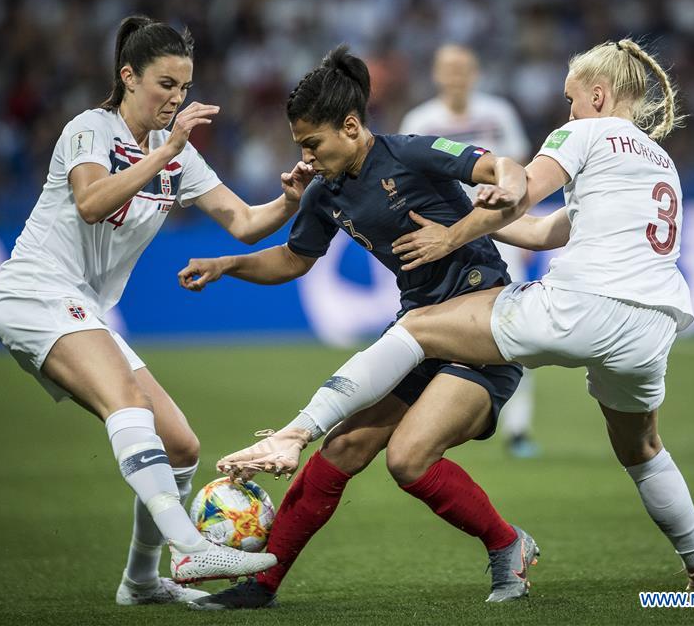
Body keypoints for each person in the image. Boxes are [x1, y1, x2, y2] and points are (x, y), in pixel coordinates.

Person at [219, 39, 694, 593]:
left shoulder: (581, 133)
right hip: (653, 325)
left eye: (571, 99)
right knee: (642, 450)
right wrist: (469, 215)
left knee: (415, 328)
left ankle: (293, 433)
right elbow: (543, 229)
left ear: (599, 95)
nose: (568, 112)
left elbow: (518, 194)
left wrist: (453, 234)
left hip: (573, 307)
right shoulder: (660, 162)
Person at [179, 45, 538, 610]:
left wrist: (505, 192)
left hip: (482, 328)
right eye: (300, 145)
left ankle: (506, 543)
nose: (305, 157)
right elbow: (293, 260)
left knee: (408, 459)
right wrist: (228, 265)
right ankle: (262, 584)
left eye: (312, 143)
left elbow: (501, 167)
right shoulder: (324, 192)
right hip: (419, 332)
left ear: (350, 127)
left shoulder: (411, 152)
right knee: (343, 446)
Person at [0, 15, 307, 606]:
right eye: (165, 84)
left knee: (181, 445)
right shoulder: (91, 129)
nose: (176, 99)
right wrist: (168, 153)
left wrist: (289, 200)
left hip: (82, 307)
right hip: (35, 292)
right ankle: (189, 547)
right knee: (128, 403)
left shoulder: (175, 153)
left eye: (183, 87)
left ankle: (139, 581)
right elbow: (90, 202)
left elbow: (243, 222)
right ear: (129, 76)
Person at [399, 43, 540, 458]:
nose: (456, 76)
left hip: (500, 231)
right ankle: (433, 418)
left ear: (475, 73)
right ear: (437, 74)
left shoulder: (498, 113)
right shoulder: (420, 121)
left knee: (517, 328)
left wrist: (527, 227)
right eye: (449, 69)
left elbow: (522, 173)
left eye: (463, 68)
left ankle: (518, 429)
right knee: (437, 329)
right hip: (444, 235)